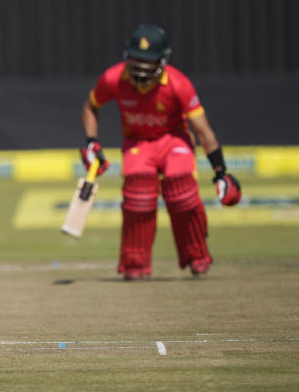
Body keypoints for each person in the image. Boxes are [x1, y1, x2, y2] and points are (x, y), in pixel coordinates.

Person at [81, 23, 242, 280]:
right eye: (136, 60)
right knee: (137, 193)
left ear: (162, 60)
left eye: (148, 61)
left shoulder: (178, 84)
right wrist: (91, 142)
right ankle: (135, 262)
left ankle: (197, 254)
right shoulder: (114, 77)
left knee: (182, 191)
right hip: (137, 143)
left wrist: (220, 173)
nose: (141, 68)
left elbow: (204, 132)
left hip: (173, 141)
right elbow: (91, 106)